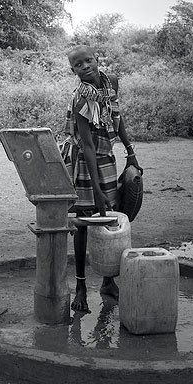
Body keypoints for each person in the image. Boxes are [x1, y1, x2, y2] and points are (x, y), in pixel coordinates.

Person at [60, 45, 140, 312]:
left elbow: (118, 120)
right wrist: (96, 188)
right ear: (73, 71)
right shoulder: (81, 99)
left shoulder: (111, 83)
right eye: (78, 65)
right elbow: (87, 145)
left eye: (88, 60)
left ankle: (107, 281)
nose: (85, 66)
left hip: (106, 156)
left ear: (96, 60)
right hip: (84, 160)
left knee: (109, 218)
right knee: (84, 222)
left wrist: (131, 153)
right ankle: (81, 286)